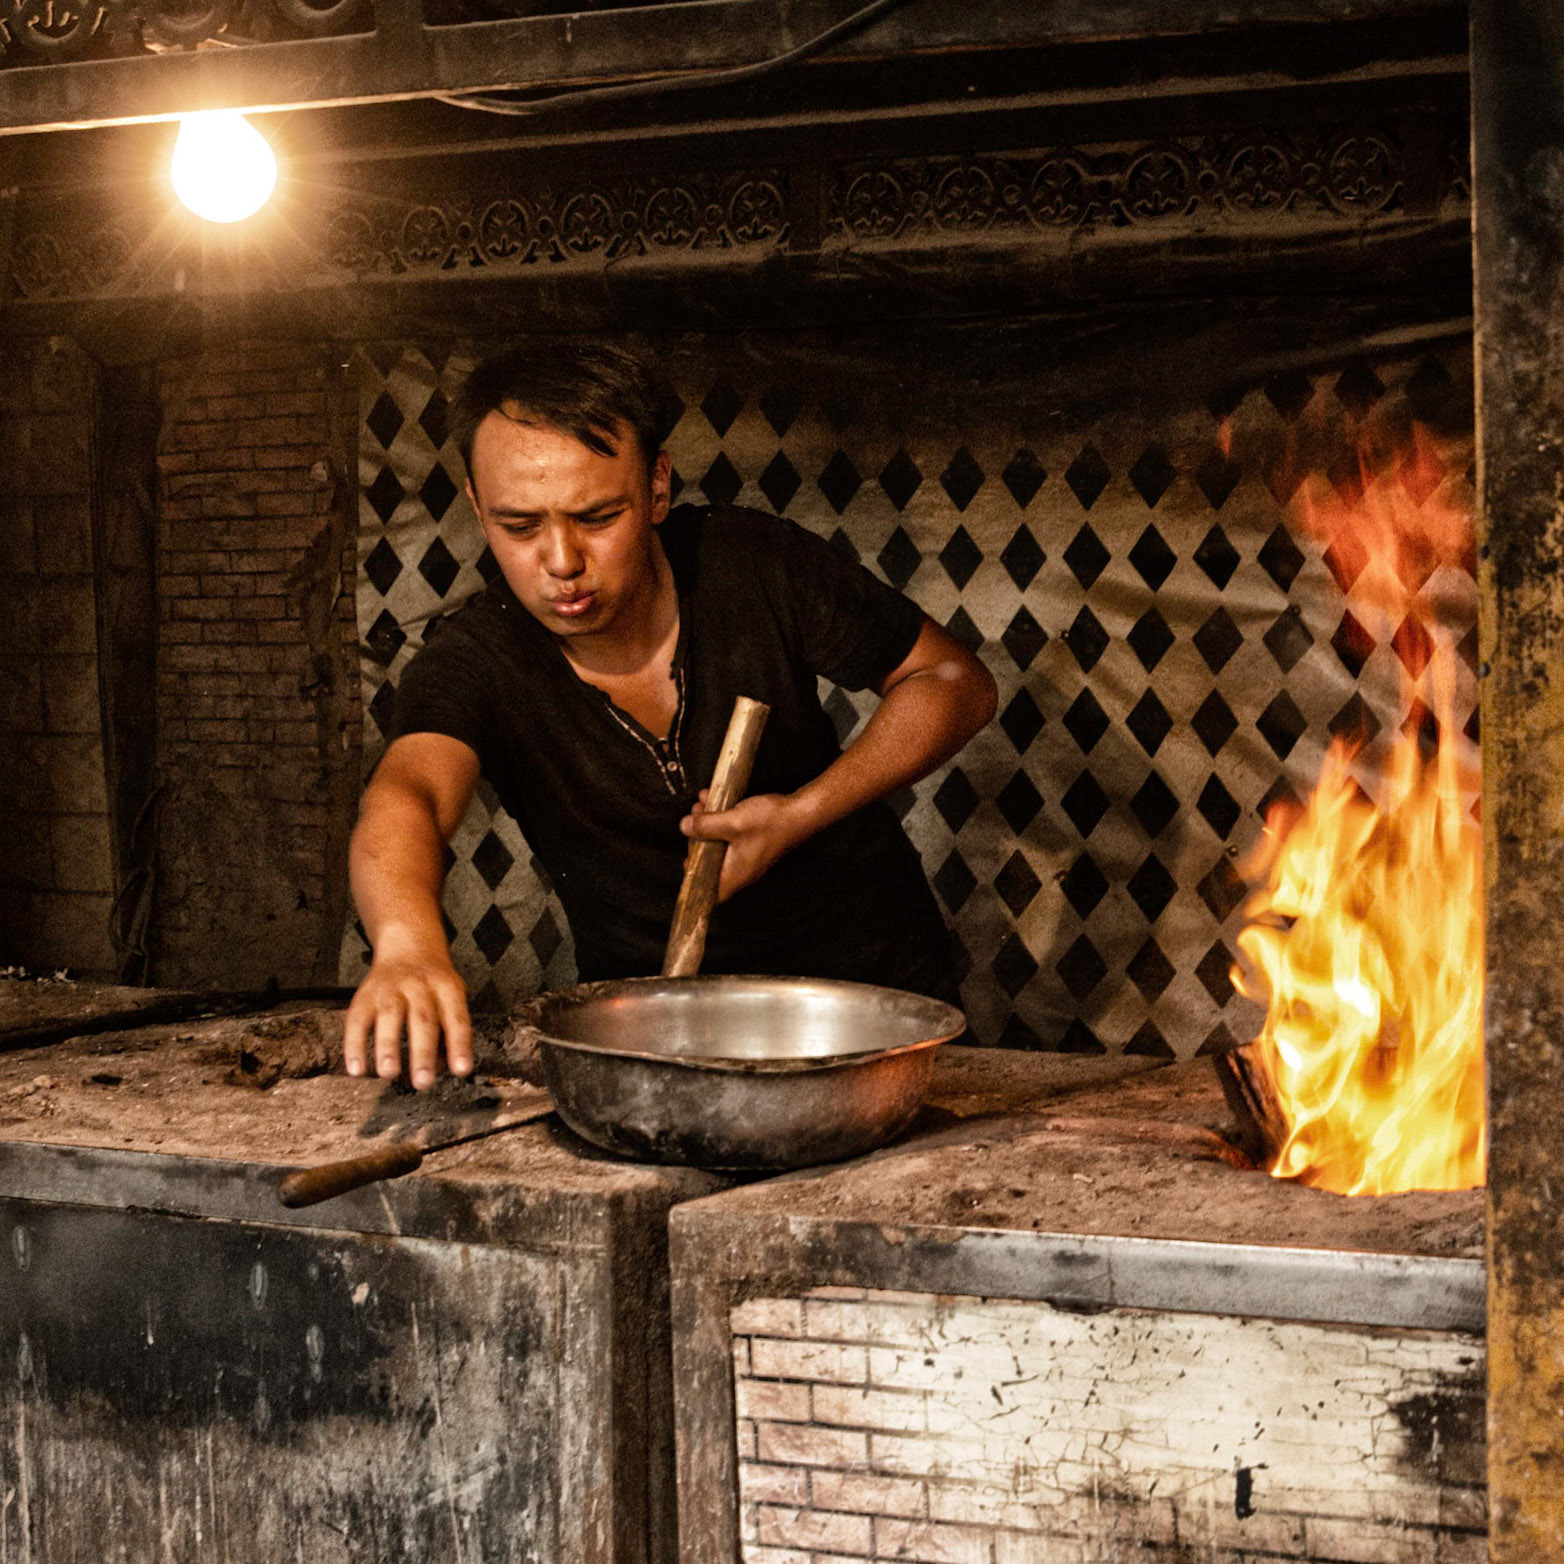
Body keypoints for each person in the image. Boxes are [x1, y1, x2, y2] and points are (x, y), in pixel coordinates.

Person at [343, 342, 997, 1088]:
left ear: (656, 486)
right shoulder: (477, 657)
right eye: (518, 526)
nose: (560, 561)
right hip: (656, 1035)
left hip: (871, 1008)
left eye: (596, 516)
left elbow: (953, 681)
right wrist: (405, 943)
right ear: (475, 503)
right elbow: (410, 795)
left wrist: (798, 815)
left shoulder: (751, 564)